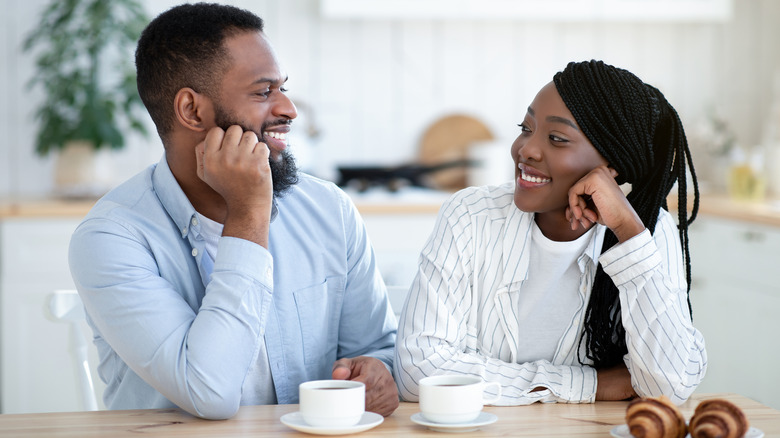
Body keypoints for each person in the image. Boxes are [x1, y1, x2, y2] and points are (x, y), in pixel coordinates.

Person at [68, 3, 398, 420]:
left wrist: (379, 372)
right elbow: (210, 393)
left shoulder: (328, 209)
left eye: (283, 88)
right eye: (263, 92)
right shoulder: (110, 239)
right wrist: (248, 214)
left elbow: (377, 347)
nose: (288, 109)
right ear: (191, 111)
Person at [394, 60, 707, 406]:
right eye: (525, 128)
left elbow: (670, 386)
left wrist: (629, 235)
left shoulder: (646, 233)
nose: (525, 149)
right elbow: (416, 371)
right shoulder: (470, 216)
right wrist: (590, 386)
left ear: (610, 166)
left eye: (557, 138)